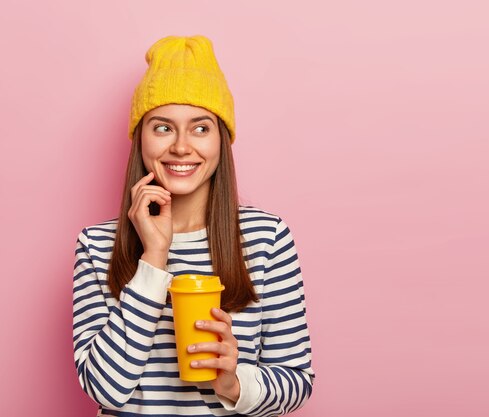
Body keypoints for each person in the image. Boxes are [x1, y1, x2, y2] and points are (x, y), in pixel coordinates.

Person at [72, 35, 314, 417]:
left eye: (200, 128)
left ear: (222, 140)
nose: (182, 147)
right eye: (163, 127)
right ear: (140, 140)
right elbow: (106, 390)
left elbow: (296, 381)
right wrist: (153, 258)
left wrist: (233, 383)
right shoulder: (97, 245)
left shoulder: (265, 238)